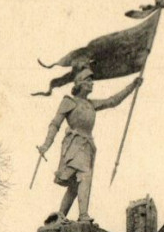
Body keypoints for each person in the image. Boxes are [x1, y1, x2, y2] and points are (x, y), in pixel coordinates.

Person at [38, 68, 143, 223]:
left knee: (75, 185)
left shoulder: (91, 104)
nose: (91, 83)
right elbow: (55, 124)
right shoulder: (69, 102)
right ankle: (83, 215)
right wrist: (46, 144)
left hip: (87, 146)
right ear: (79, 83)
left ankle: (60, 216)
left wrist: (132, 86)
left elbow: (112, 101)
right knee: (84, 176)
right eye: (88, 80)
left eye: (91, 80)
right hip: (74, 145)